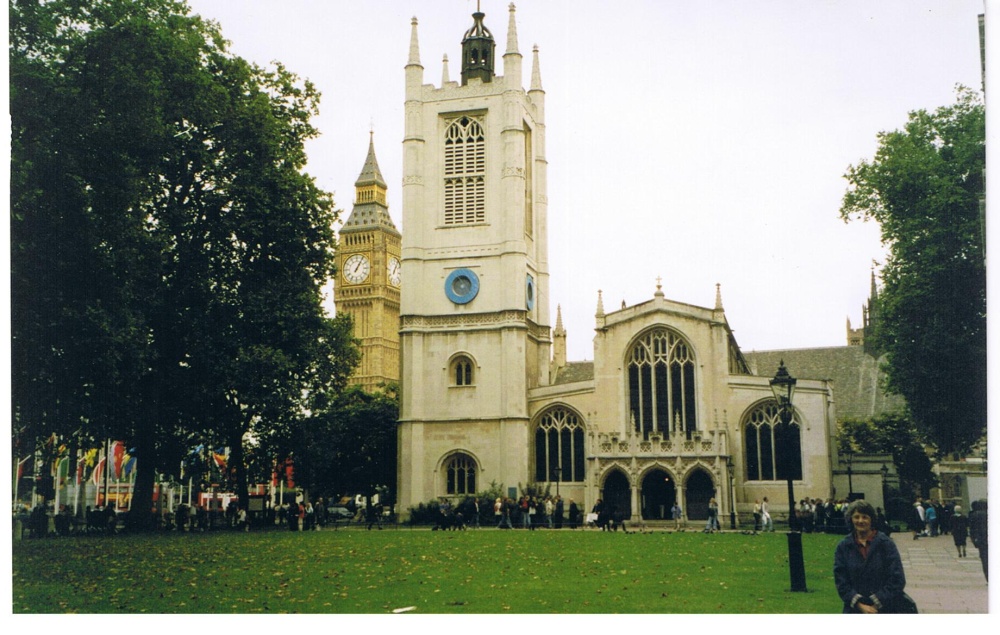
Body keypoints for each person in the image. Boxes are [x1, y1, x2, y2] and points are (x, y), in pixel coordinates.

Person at [833, 499, 906, 614]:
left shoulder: (886, 544)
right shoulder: (843, 546)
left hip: (885, 608)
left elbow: (897, 579)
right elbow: (841, 581)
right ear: (851, 519)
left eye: (865, 517)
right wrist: (859, 605)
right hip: (854, 610)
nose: (860, 521)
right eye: (856, 517)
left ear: (871, 519)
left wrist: (876, 603)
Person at [969, 499, 988, 581]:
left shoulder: (975, 515)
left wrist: (974, 541)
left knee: (985, 560)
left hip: (982, 541)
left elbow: (972, 530)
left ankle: (988, 577)